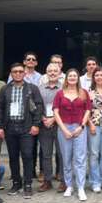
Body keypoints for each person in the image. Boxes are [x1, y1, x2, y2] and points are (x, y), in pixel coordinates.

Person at [0, 63, 43, 199]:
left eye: (20, 72)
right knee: (13, 156)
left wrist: (36, 124)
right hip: (10, 127)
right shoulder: (5, 89)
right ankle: (17, 182)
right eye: (15, 71)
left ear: (24, 74)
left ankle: (28, 184)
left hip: (26, 127)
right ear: (11, 74)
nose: (17, 74)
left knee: (27, 156)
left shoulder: (32, 88)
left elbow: (39, 106)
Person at [53, 69, 92, 201]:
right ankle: (69, 185)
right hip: (64, 128)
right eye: (70, 76)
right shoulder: (59, 94)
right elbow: (56, 113)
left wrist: (82, 126)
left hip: (79, 128)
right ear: (66, 78)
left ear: (78, 78)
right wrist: (63, 129)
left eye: (75, 76)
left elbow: (87, 111)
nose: (72, 78)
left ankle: (80, 187)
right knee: (66, 159)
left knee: (80, 159)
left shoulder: (83, 93)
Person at [37, 63, 65, 193]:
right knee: (46, 154)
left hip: (60, 125)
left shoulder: (64, 88)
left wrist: (54, 119)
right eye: (50, 71)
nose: (53, 73)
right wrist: (43, 119)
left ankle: (65, 180)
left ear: (60, 73)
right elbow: (37, 105)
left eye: (55, 71)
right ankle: (47, 181)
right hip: (44, 126)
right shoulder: (40, 88)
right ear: (47, 73)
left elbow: (65, 106)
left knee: (62, 154)